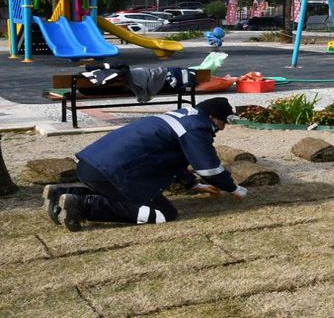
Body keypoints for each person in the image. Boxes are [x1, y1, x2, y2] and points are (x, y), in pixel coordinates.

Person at [43, 97, 247, 232]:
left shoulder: (178, 118)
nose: (223, 128)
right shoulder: (197, 127)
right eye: (224, 122)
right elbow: (208, 168)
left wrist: (193, 184)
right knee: (163, 213)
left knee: (123, 194)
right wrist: (233, 188)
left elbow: (170, 159)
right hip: (113, 173)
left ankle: (60, 193)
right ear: (213, 117)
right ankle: (81, 205)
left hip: (91, 166)